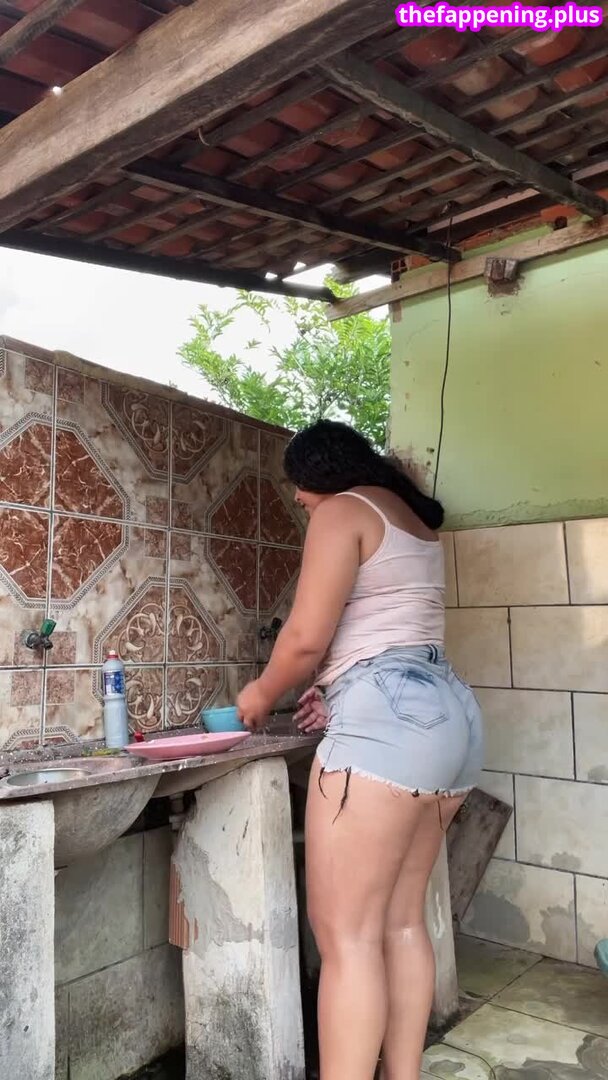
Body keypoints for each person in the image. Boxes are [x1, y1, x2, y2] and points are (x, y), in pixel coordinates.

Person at [237, 420, 483, 1080]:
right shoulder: (410, 519)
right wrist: (337, 692)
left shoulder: (342, 510)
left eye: (297, 483)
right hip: (449, 714)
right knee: (402, 923)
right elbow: (387, 634)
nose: (296, 498)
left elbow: (304, 640)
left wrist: (260, 694)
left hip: (391, 721)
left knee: (346, 939)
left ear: (320, 472)